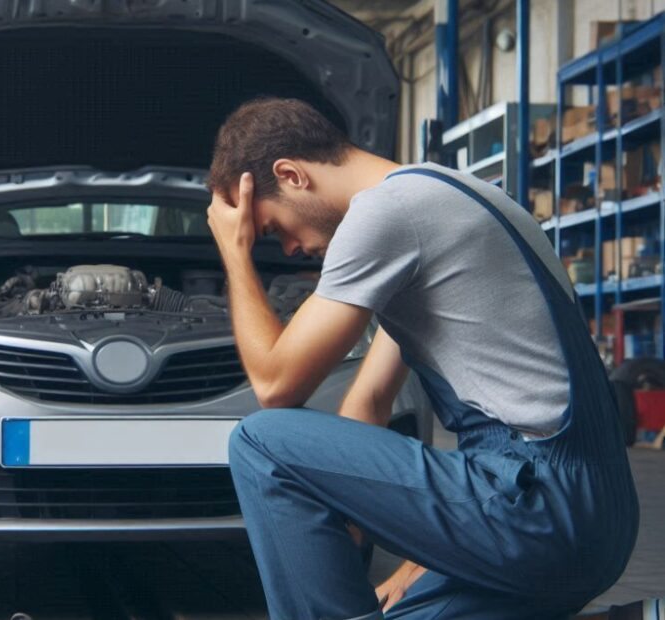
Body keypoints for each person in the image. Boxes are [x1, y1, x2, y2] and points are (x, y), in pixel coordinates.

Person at [204, 97, 640, 620]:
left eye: (272, 229)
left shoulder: (389, 211)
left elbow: (276, 387)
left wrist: (234, 253)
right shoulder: (454, 195)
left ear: (291, 175)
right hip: (595, 517)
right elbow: (368, 402)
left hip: (539, 507)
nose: (289, 249)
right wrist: (422, 546)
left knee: (261, 441)